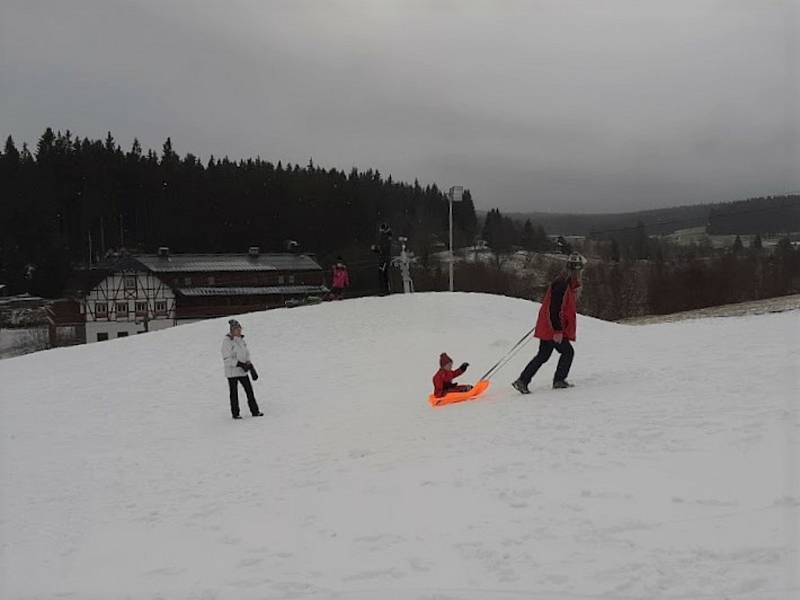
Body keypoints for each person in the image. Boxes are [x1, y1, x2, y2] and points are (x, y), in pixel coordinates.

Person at [512, 254, 584, 394]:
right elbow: (554, 308)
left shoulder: (564, 283)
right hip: (553, 329)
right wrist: (557, 330)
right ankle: (559, 380)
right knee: (568, 352)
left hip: (548, 326)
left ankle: (522, 381)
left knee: (543, 355)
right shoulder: (561, 285)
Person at [221, 319, 264, 419]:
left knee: (249, 391)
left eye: (240, 329)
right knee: (234, 393)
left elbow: (246, 353)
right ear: (232, 330)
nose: (239, 331)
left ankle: (255, 411)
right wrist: (239, 364)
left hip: (243, 371)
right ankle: (235, 413)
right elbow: (226, 359)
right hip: (232, 373)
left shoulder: (241, 340)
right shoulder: (227, 342)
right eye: (237, 329)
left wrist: (249, 365)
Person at [371, 223, 393, 295]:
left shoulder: (386, 237)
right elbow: (382, 249)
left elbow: (384, 248)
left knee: (382, 274)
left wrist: (377, 248)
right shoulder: (385, 237)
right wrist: (376, 249)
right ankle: (384, 290)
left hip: (384, 259)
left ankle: (384, 290)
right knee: (383, 275)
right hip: (383, 258)